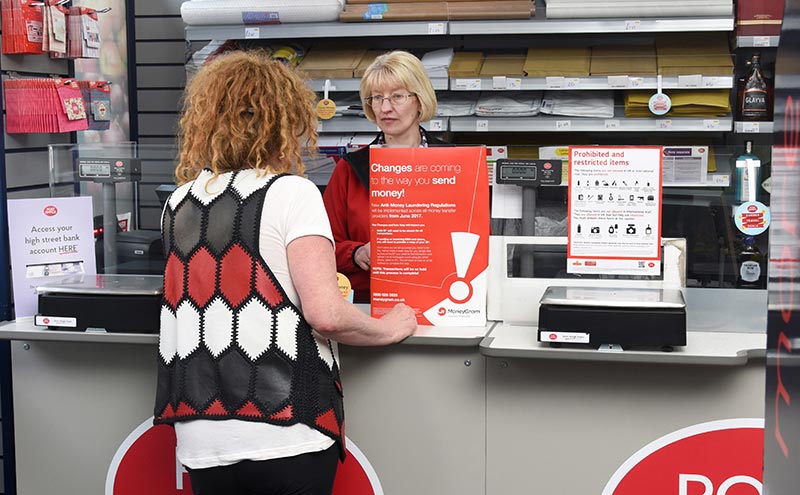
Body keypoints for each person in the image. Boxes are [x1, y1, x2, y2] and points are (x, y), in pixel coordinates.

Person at [153, 49, 417, 495]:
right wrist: (387, 328)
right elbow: (326, 314)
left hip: (201, 434)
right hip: (284, 426)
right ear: (285, 118)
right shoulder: (291, 193)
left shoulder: (179, 201)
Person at [322, 50, 445, 303]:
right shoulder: (350, 169)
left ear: (419, 100)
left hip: (441, 297)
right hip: (369, 302)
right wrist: (356, 253)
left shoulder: (452, 164)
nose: (385, 108)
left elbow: (477, 237)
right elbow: (322, 245)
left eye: (397, 96)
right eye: (377, 98)